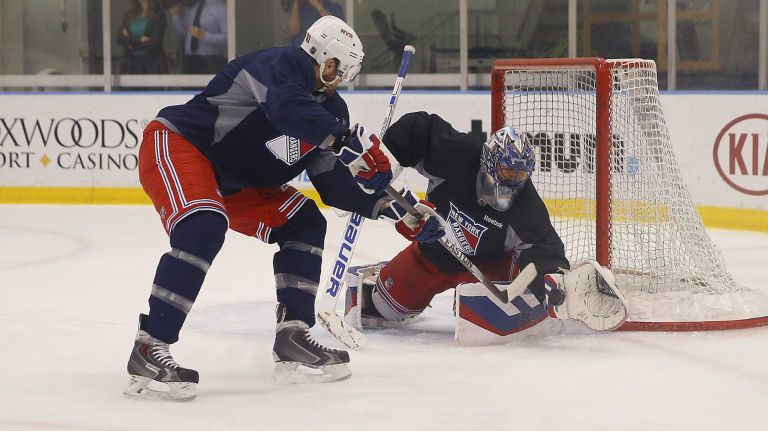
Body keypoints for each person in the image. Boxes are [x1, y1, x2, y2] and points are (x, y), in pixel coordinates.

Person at [124, 16, 442, 401]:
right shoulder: (278, 66)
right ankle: (149, 345)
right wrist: (344, 141)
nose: (340, 79)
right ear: (327, 61)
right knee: (204, 225)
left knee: (305, 222)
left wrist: (396, 209)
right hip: (182, 146)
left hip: (237, 182)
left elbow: (334, 185)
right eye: (340, 70)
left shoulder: (333, 113)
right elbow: (286, 108)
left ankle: (293, 333)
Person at [348, 112, 628, 336]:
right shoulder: (458, 155)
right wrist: (390, 158)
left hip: (487, 269)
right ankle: (384, 274)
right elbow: (419, 129)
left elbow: (544, 249)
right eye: (508, 171)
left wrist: (551, 283)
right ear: (490, 162)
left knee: (477, 324)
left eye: (521, 174)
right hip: (432, 254)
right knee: (384, 308)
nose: (514, 181)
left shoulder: (526, 204)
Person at [168, 0, 227, 73]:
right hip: (189, 60)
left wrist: (204, 36)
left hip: (210, 59)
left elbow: (228, 38)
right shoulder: (191, 7)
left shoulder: (219, 7)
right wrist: (175, 15)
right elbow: (184, 34)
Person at [116, 0, 169, 75]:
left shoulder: (159, 15)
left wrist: (130, 43)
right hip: (130, 65)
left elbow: (155, 44)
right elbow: (119, 38)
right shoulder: (128, 14)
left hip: (152, 66)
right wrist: (139, 39)